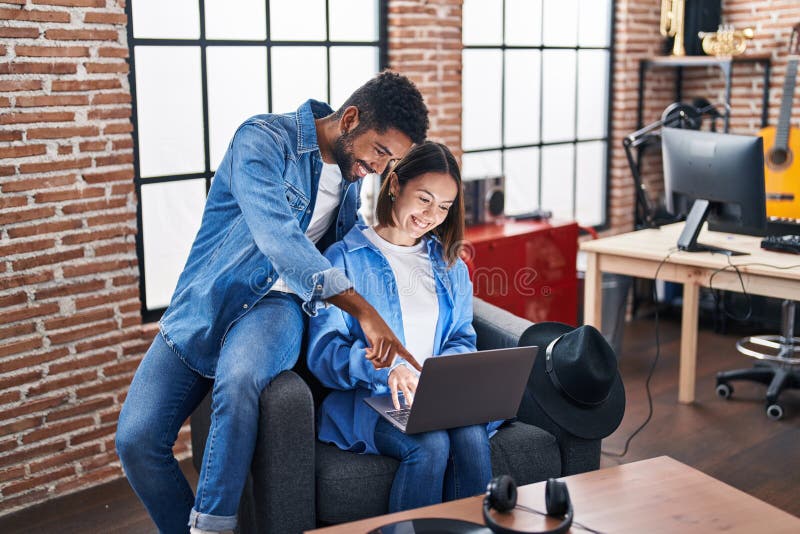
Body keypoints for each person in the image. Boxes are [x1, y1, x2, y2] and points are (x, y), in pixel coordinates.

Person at [116, 71, 429, 534]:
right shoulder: (262, 140)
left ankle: (212, 527)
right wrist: (365, 311)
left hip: (278, 309)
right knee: (136, 441)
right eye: (380, 152)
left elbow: (349, 248)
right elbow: (277, 236)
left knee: (240, 378)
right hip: (207, 303)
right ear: (350, 119)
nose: (379, 169)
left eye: (391, 161)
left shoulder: (348, 179)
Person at [307, 142, 500, 512]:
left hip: (438, 398)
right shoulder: (342, 260)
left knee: (473, 438)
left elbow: (461, 336)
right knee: (431, 445)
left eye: (444, 207)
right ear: (394, 185)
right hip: (372, 399)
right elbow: (325, 352)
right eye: (424, 199)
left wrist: (447, 374)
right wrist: (387, 366)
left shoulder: (450, 265)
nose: (431, 215)